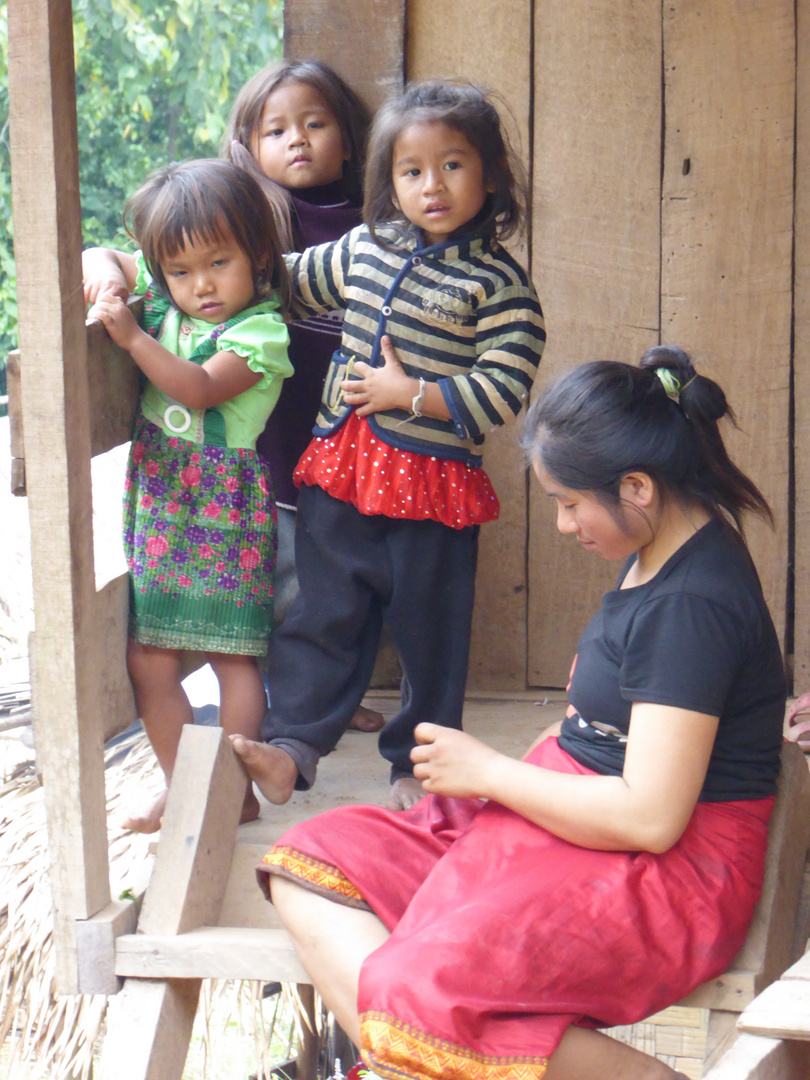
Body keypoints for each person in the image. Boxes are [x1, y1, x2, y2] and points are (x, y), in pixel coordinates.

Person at [256, 346, 786, 1080]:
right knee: (313, 863)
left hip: (661, 873)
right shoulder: (661, 540)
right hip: (570, 822)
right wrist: (511, 772)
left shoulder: (692, 608)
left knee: (412, 990)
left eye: (570, 504)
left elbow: (651, 817)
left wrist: (492, 772)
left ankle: (421, 1038)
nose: (566, 526)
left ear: (637, 487)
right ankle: (413, 1046)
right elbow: (614, 726)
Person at [232, 80, 546, 810]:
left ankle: (420, 766)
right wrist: (163, 273)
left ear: (492, 174)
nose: (431, 186)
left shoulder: (500, 289)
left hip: (432, 492)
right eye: (411, 171)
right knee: (321, 614)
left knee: (430, 636)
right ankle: (292, 750)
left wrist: (412, 395)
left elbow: (502, 390)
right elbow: (283, 283)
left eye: (453, 166)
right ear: (389, 181)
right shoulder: (365, 249)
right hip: (340, 475)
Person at [82, 159, 293, 833]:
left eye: (218, 262)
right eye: (178, 271)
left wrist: (135, 336)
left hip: (221, 508)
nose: (200, 286)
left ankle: (232, 786)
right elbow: (105, 251)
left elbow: (198, 389)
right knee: (149, 657)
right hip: (162, 504)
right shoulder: (168, 292)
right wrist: (112, 278)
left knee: (234, 653)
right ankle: (186, 784)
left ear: (257, 253)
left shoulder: (261, 332)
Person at [224, 59, 383, 734]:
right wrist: (100, 264)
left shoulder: (382, 224)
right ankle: (279, 709)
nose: (298, 139)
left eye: (315, 124)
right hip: (276, 445)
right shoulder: (248, 226)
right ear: (249, 147)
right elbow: (159, 249)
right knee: (282, 584)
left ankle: (322, 702)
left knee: (344, 586)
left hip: (357, 446)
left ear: (347, 139)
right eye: (277, 129)